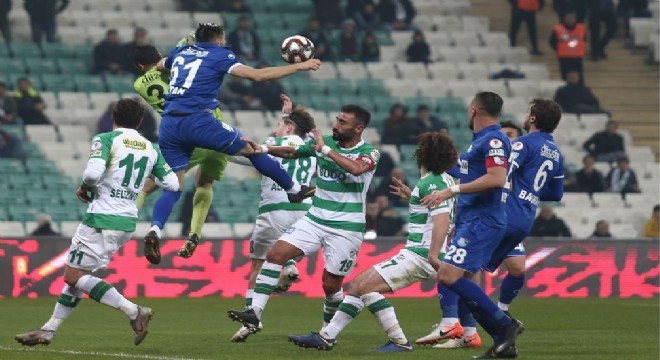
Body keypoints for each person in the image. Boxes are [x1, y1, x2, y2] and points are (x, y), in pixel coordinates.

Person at [142, 24, 320, 264]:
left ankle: (155, 230)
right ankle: (294, 190)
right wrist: (300, 65)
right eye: (223, 38)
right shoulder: (220, 54)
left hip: (170, 125)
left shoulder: (181, 52)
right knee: (252, 148)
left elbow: (159, 65)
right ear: (217, 40)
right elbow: (257, 76)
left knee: (173, 186)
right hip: (199, 119)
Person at [14, 98, 179, 347]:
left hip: (100, 219)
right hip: (126, 221)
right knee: (80, 276)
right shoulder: (150, 148)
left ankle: (134, 311)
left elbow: (91, 174)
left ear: (114, 116)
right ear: (141, 121)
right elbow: (173, 184)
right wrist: (135, 187)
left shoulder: (106, 139)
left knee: (73, 276)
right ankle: (48, 330)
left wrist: (85, 187)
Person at [288, 132, 457, 352]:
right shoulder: (441, 180)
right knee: (359, 285)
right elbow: (436, 212)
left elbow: (442, 221)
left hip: (420, 254)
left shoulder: (432, 182)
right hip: (418, 253)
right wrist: (413, 197)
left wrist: (433, 255)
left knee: (362, 286)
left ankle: (397, 341)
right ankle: (327, 336)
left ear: (422, 154)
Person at [421, 99, 566, 352]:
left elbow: (500, 175)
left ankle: (494, 323)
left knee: (452, 274)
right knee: (466, 274)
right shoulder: (556, 153)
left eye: (528, 111)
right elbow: (555, 193)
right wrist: (527, 191)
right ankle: (490, 337)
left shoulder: (519, 143)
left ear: (532, 118)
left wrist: (454, 185)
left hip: (498, 214)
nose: (525, 114)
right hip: (525, 216)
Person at [227, 104, 380, 342]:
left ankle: (327, 334)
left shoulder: (369, 153)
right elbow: (291, 152)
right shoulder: (325, 143)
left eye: (343, 123)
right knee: (276, 254)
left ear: (359, 128)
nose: (336, 125)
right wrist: (263, 148)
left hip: (346, 227)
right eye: (337, 120)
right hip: (315, 218)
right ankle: (254, 313)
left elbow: (357, 169)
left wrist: (325, 149)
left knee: (330, 285)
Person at [418, 92, 522, 358]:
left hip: (483, 221)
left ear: (474, 110)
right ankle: (501, 342)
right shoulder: (481, 142)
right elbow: (470, 174)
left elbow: (497, 178)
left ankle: (505, 324)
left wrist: (451, 192)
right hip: (472, 221)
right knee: (467, 281)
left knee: (448, 276)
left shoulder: (495, 139)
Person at [131, 43, 232, 260]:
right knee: (205, 184)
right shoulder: (179, 72)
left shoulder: (139, 84)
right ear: (159, 56)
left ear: (140, 66)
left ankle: (136, 222)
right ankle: (194, 235)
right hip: (213, 130)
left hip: (182, 135)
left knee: (153, 185)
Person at [230, 95, 317, 343]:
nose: (276, 129)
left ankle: (250, 320)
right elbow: (299, 131)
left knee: (257, 265)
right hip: (305, 209)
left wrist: (219, 149)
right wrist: (285, 115)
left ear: (288, 128)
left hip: (275, 208)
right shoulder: (309, 148)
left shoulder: (274, 143)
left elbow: (249, 154)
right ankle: (288, 266)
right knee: (287, 250)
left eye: (281, 125)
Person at [549, 11, 586, 81]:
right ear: (564, 18)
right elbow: (552, 42)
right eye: (568, 18)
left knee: (579, 77)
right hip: (564, 57)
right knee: (565, 77)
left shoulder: (581, 28)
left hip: (577, 56)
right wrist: (558, 49)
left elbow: (584, 40)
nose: (570, 19)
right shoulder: (558, 29)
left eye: (572, 17)